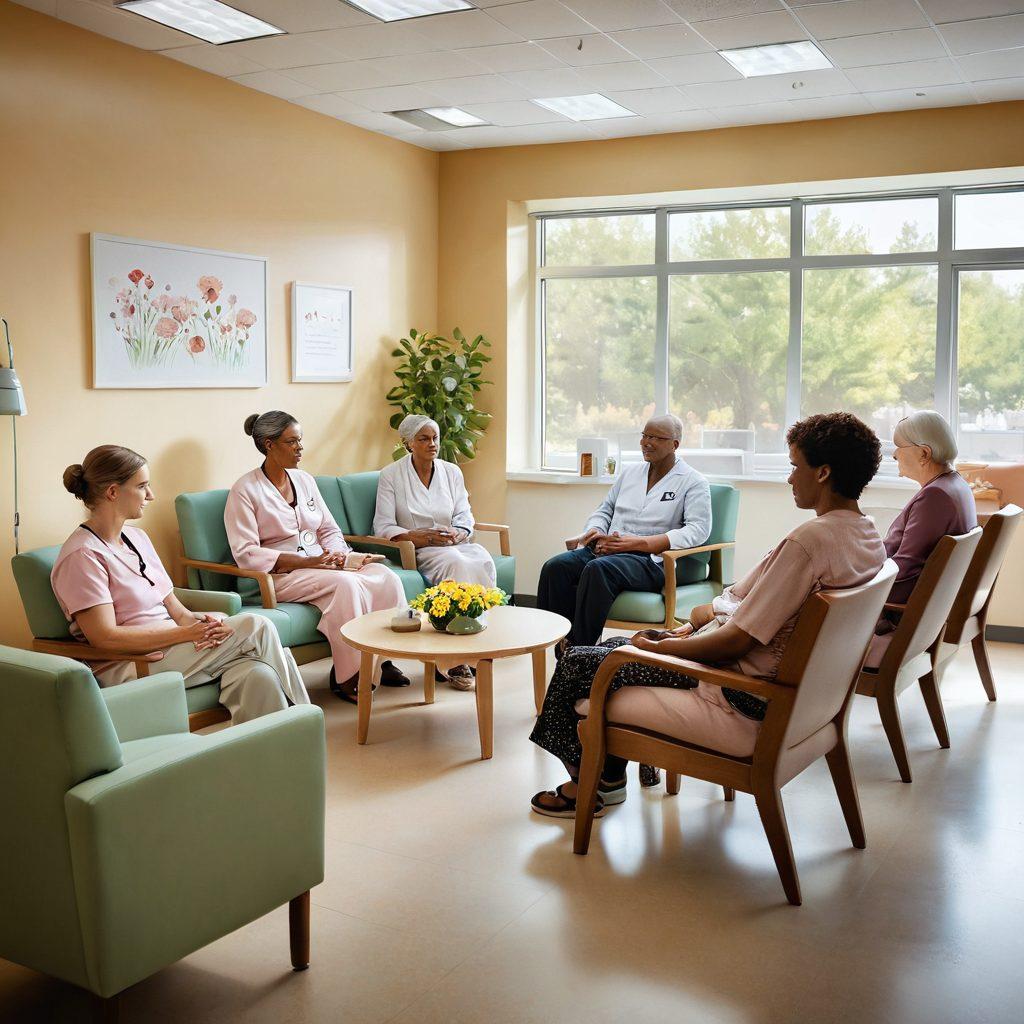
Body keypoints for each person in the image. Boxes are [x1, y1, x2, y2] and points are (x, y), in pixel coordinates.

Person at [529, 412, 886, 818]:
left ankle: (586, 784)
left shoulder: (810, 542)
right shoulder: (865, 534)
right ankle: (609, 777)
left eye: (793, 466)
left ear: (822, 473)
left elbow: (737, 641)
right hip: (787, 690)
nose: (789, 478)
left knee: (582, 662)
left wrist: (670, 646)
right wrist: (680, 633)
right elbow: (748, 616)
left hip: (735, 688)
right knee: (613, 644)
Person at [52, 445, 309, 723]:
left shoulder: (137, 538)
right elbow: (105, 637)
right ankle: (304, 720)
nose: (150, 495)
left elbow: (181, 615)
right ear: (113, 492)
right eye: (142, 486)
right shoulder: (82, 556)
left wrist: (205, 624)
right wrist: (186, 635)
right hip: (133, 663)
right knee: (257, 626)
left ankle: (270, 761)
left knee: (257, 674)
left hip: (175, 648)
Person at [224, 411, 407, 704]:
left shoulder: (305, 480)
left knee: (384, 576)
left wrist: (341, 556)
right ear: (269, 445)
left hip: (321, 566)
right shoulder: (245, 490)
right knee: (346, 586)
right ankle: (348, 675)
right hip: (280, 576)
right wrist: (306, 562)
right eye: (292, 442)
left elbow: (328, 528)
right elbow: (246, 553)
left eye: (300, 440)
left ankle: (382, 660)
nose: (300, 448)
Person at [536, 414, 712, 650]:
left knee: (598, 570)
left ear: (674, 445)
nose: (646, 442)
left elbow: (699, 529)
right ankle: (556, 642)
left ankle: (580, 648)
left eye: (655, 437)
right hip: (609, 549)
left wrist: (640, 543)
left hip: (650, 561)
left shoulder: (693, 481)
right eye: (644, 436)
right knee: (555, 567)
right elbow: (605, 509)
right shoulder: (630, 473)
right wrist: (595, 530)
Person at [373, 413, 495, 690]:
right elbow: (382, 525)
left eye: (435, 438)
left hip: (455, 543)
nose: (432, 444)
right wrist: (417, 536)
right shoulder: (391, 475)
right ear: (408, 443)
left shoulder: (452, 472)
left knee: (482, 560)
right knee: (456, 565)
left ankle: (477, 646)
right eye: (423, 439)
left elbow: (464, 513)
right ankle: (452, 660)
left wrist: (460, 531)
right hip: (420, 550)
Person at [864, 411, 977, 668]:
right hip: (924, 605)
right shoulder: (955, 485)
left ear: (924, 453)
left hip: (900, 609)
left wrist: (859, 584)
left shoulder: (935, 496)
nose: (893, 455)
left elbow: (906, 567)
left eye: (898, 448)